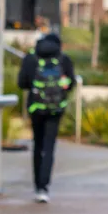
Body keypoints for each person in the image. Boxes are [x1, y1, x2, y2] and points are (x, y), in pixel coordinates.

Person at [16, 33, 76, 204]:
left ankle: (37, 186)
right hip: (55, 109)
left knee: (38, 145)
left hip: (36, 108)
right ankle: (44, 187)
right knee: (49, 147)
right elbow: (71, 82)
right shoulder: (63, 59)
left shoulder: (31, 59)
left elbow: (22, 83)